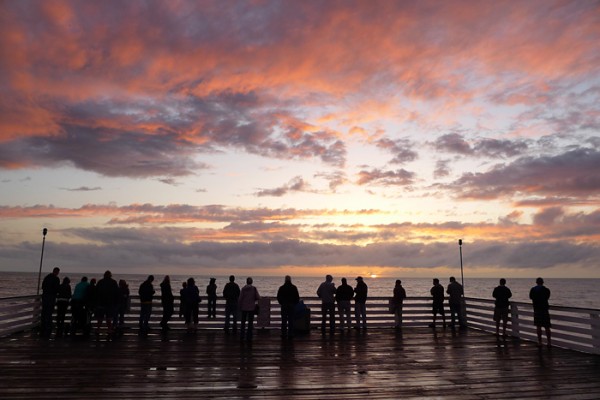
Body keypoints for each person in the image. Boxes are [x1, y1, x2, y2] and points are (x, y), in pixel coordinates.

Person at [96, 270, 120, 339]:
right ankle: (109, 330)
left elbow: (96, 292)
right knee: (109, 318)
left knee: (100, 318)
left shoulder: (100, 282)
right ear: (110, 275)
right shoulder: (113, 282)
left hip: (101, 303)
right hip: (110, 303)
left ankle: (98, 329)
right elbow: (117, 293)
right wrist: (116, 302)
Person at [530, 277, 552, 347]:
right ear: (543, 282)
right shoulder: (546, 290)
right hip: (544, 309)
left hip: (537, 309)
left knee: (538, 326)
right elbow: (547, 297)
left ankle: (540, 342)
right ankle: (549, 342)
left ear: (536, 282)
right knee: (547, 326)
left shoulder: (533, 290)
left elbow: (531, 297)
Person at [40, 267, 60, 337]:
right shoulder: (56, 279)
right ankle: (48, 327)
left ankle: (43, 326)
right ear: (57, 272)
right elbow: (57, 289)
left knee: (44, 311)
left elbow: (42, 286)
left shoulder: (47, 277)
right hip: (51, 297)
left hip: (45, 296)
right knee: (49, 312)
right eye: (57, 272)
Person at [239, 277, 260, 341]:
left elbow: (240, 299)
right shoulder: (254, 289)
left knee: (243, 323)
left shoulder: (243, 289)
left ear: (246, 282)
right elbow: (258, 297)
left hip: (244, 308)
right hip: (251, 308)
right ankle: (249, 337)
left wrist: (240, 306)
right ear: (252, 282)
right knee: (250, 323)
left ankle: (242, 336)